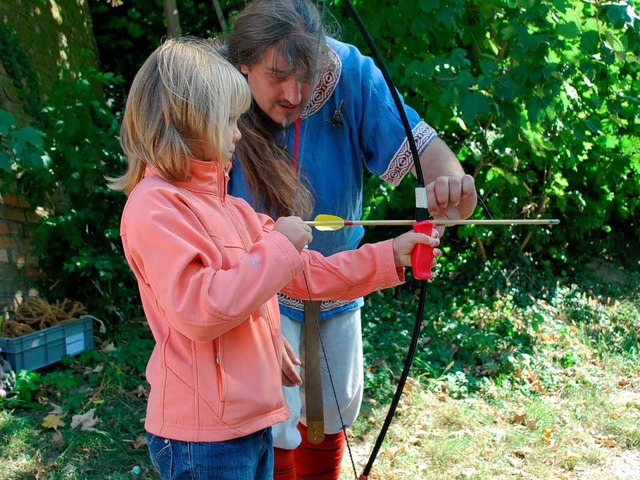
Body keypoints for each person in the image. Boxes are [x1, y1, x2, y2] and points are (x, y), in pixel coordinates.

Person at [109, 36, 441, 480]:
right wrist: (279, 246)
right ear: (189, 122)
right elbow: (200, 308)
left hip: (249, 424)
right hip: (202, 439)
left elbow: (306, 275)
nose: (238, 132)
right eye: (228, 121)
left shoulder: (231, 208)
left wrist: (389, 256)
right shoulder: (155, 208)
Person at [223, 1, 478, 478]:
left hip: (337, 282)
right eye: (277, 75)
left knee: (330, 413)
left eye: (306, 75)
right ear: (244, 62)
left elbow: (433, 162)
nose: (294, 93)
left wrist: (451, 187)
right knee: (265, 424)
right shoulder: (213, 88)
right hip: (251, 290)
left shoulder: (348, 74)